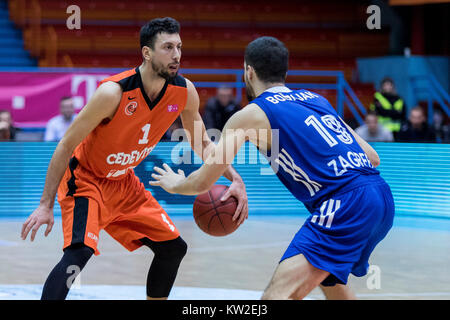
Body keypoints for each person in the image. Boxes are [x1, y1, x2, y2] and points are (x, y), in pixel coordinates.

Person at [150, 37, 395, 300]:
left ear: (249, 71)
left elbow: (202, 183)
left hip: (345, 204)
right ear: (285, 73)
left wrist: (174, 182)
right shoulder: (316, 100)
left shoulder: (250, 114)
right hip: (381, 196)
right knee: (329, 280)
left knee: (275, 297)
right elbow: (372, 156)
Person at [21, 17, 248, 300]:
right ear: (147, 53)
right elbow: (65, 145)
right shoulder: (112, 92)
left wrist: (236, 179)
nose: (176, 55)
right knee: (80, 252)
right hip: (86, 179)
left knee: (173, 248)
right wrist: (45, 204)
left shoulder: (184, 92)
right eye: (167, 47)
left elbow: (202, 142)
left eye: (179, 47)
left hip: (125, 183)